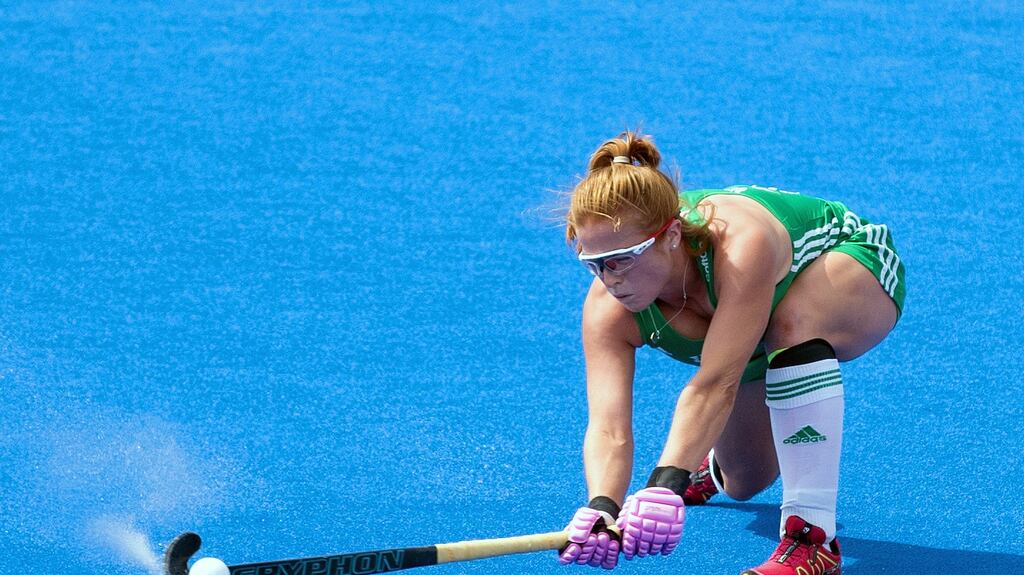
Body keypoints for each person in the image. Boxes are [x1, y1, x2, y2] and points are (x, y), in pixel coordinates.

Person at [555, 131, 905, 575]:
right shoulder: (607, 309)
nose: (610, 278)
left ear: (671, 235)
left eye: (623, 258)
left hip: (853, 263)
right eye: (593, 262)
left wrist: (664, 482)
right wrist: (603, 508)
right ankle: (709, 468)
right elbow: (608, 427)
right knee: (745, 481)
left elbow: (715, 382)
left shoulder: (740, 245)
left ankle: (812, 539)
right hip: (753, 324)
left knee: (794, 323)